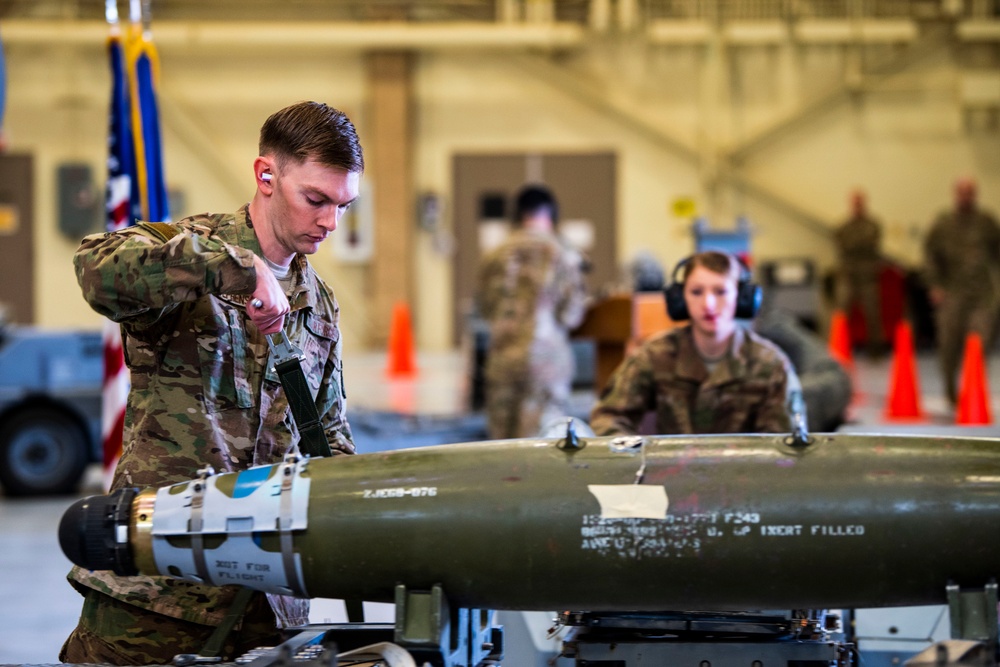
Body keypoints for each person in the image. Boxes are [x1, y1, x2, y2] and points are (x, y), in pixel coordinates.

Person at [60, 101, 363, 665]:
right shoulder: (189, 250)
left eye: (344, 206)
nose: (331, 223)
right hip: (156, 592)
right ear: (265, 176)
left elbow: (328, 440)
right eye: (316, 200)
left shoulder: (318, 307)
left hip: (267, 605)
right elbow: (96, 270)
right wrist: (234, 269)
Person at [590, 251, 800, 435]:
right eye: (697, 292)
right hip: (671, 475)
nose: (708, 304)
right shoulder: (657, 355)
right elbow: (607, 418)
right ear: (680, 299)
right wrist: (634, 457)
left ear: (742, 298)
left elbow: (787, 445)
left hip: (745, 476)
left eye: (720, 291)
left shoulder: (770, 364)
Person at [476, 184, 589, 439]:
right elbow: (572, 315)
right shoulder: (563, 253)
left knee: (500, 446)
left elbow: (484, 309)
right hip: (546, 363)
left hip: (502, 360)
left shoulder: (494, 255)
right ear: (552, 215)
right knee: (540, 449)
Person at [923, 177, 1000, 407]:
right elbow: (930, 256)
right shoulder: (943, 223)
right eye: (962, 192)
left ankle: (972, 390)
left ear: (974, 195)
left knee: (979, 343)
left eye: (970, 192)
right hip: (952, 293)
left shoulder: (986, 222)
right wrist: (935, 284)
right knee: (949, 344)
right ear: (955, 194)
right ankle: (950, 391)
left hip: (981, 295)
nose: (966, 197)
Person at [834, 189, 885, 355]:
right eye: (855, 203)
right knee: (842, 313)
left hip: (868, 277)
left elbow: (873, 247)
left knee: (873, 315)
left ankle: (875, 350)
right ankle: (839, 348)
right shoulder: (843, 227)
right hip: (849, 276)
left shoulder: (873, 225)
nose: (857, 206)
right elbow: (843, 247)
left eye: (860, 203)